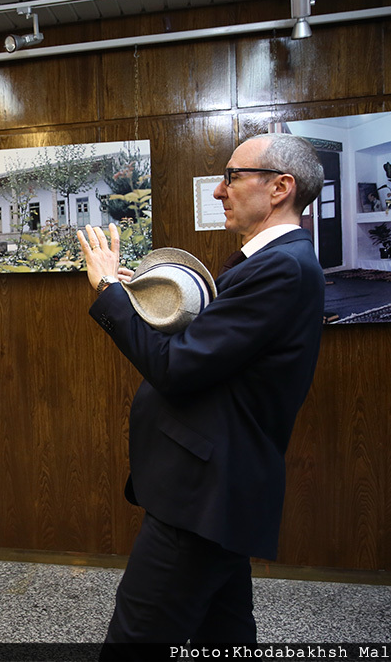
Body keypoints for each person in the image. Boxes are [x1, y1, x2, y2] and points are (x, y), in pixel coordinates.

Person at [77, 133, 325, 655]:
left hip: (203, 497)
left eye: (232, 176)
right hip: (216, 492)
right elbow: (214, 352)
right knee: (224, 635)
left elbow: (176, 367)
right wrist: (139, 295)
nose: (218, 190)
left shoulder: (281, 267)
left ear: (280, 187)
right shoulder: (273, 262)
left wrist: (107, 292)